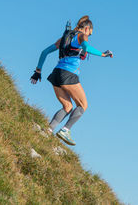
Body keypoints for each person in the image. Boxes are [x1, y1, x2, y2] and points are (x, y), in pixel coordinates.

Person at [30, 15, 113, 145]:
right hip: (68, 74)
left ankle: (47, 130)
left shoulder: (65, 38)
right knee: (83, 105)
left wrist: (38, 71)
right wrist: (103, 54)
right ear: (87, 28)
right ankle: (65, 130)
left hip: (56, 73)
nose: (88, 36)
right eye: (89, 33)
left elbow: (44, 52)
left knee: (68, 106)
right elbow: (86, 47)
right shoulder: (81, 36)